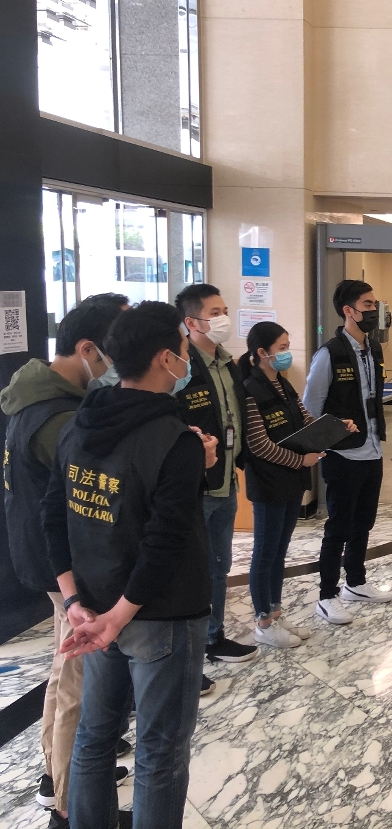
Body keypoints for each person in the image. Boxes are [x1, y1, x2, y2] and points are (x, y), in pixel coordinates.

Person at [43, 301, 216, 829]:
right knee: (160, 752)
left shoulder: (80, 423)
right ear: (165, 358)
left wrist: (75, 602)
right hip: (158, 616)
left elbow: (53, 515)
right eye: (184, 350)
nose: (188, 359)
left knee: (95, 737)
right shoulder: (176, 440)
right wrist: (118, 618)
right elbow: (164, 543)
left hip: (96, 610)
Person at [1, 297, 132, 828]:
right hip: (68, 568)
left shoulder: (33, 395)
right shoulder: (57, 417)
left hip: (45, 561)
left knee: (64, 672)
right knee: (81, 683)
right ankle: (74, 809)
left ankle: (58, 779)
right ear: (87, 349)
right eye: (117, 349)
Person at [240, 322, 350, 647]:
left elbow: (305, 421)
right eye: (282, 348)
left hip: (291, 481)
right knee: (265, 552)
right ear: (262, 352)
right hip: (268, 482)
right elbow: (258, 445)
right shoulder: (249, 390)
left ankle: (275, 613)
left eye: (288, 346)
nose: (287, 353)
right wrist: (299, 461)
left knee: (279, 551)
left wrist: (336, 426)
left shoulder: (283, 384)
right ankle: (263, 620)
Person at [174, 284, 257, 670]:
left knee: (219, 564)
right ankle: (187, 653)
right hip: (196, 484)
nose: (224, 318)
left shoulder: (228, 362)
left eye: (225, 310)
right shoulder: (181, 368)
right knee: (189, 568)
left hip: (226, 479)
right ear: (191, 322)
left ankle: (213, 637)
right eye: (214, 313)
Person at [303, 279, 392, 625]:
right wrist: (335, 431)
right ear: (348, 311)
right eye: (368, 305)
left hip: (372, 449)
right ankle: (327, 595)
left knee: (364, 523)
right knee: (338, 526)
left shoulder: (374, 349)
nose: (373, 310)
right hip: (343, 455)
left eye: (374, 304)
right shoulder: (329, 354)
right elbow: (311, 408)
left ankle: (355, 582)